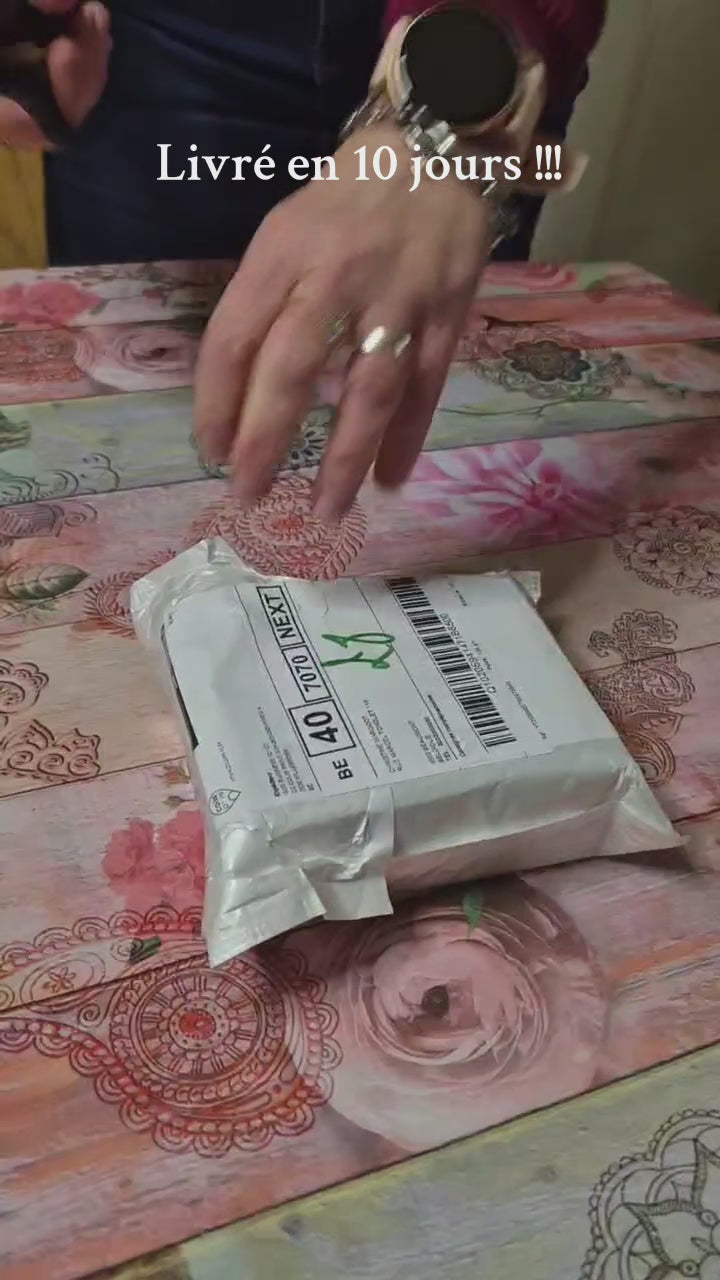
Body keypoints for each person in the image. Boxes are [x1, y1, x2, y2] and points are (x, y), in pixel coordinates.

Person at [0, 0, 605, 519]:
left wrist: (448, 112)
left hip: (474, 52)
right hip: (162, 49)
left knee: (434, 432)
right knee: (134, 447)